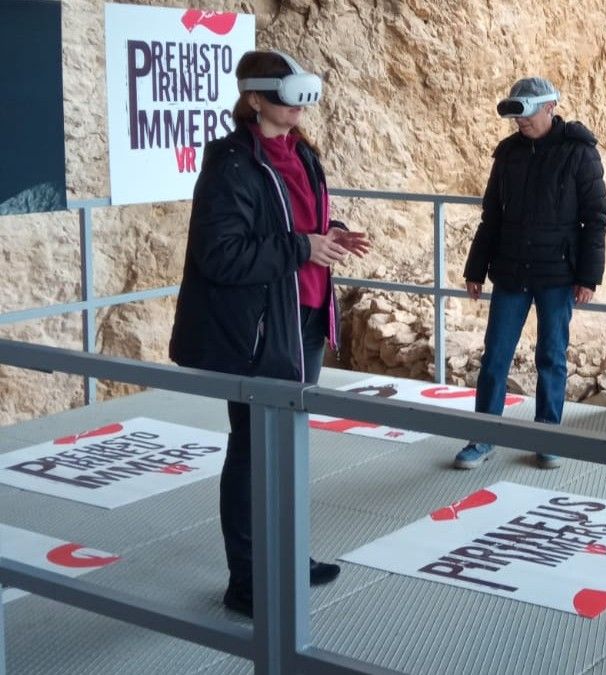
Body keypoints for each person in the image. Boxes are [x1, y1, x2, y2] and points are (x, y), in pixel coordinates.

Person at [169, 49, 370, 618]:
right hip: (261, 331)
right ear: (254, 98)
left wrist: (328, 234)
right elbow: (221, 255)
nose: (298, 103)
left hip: (305, 318)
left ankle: (287, 557)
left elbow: (289, 224)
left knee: (289, 450)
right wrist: (303, 247)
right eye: (285, 92)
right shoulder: (232, 165)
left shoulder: (302, 153)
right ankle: (248, 581)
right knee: (254, 453)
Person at [455, 76, 606, 470]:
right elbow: (492, 216)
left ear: (550, 107)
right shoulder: (508, 153)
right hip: (511, 271)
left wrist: (588, 277)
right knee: (495, 356)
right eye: (516, 116)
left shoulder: (580, 151)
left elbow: (595, 219)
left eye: (526, 114)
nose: (520, 122)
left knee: (551, 357)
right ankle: (483, 436)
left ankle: (546, 436)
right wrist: (476, 268)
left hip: (558, 275)